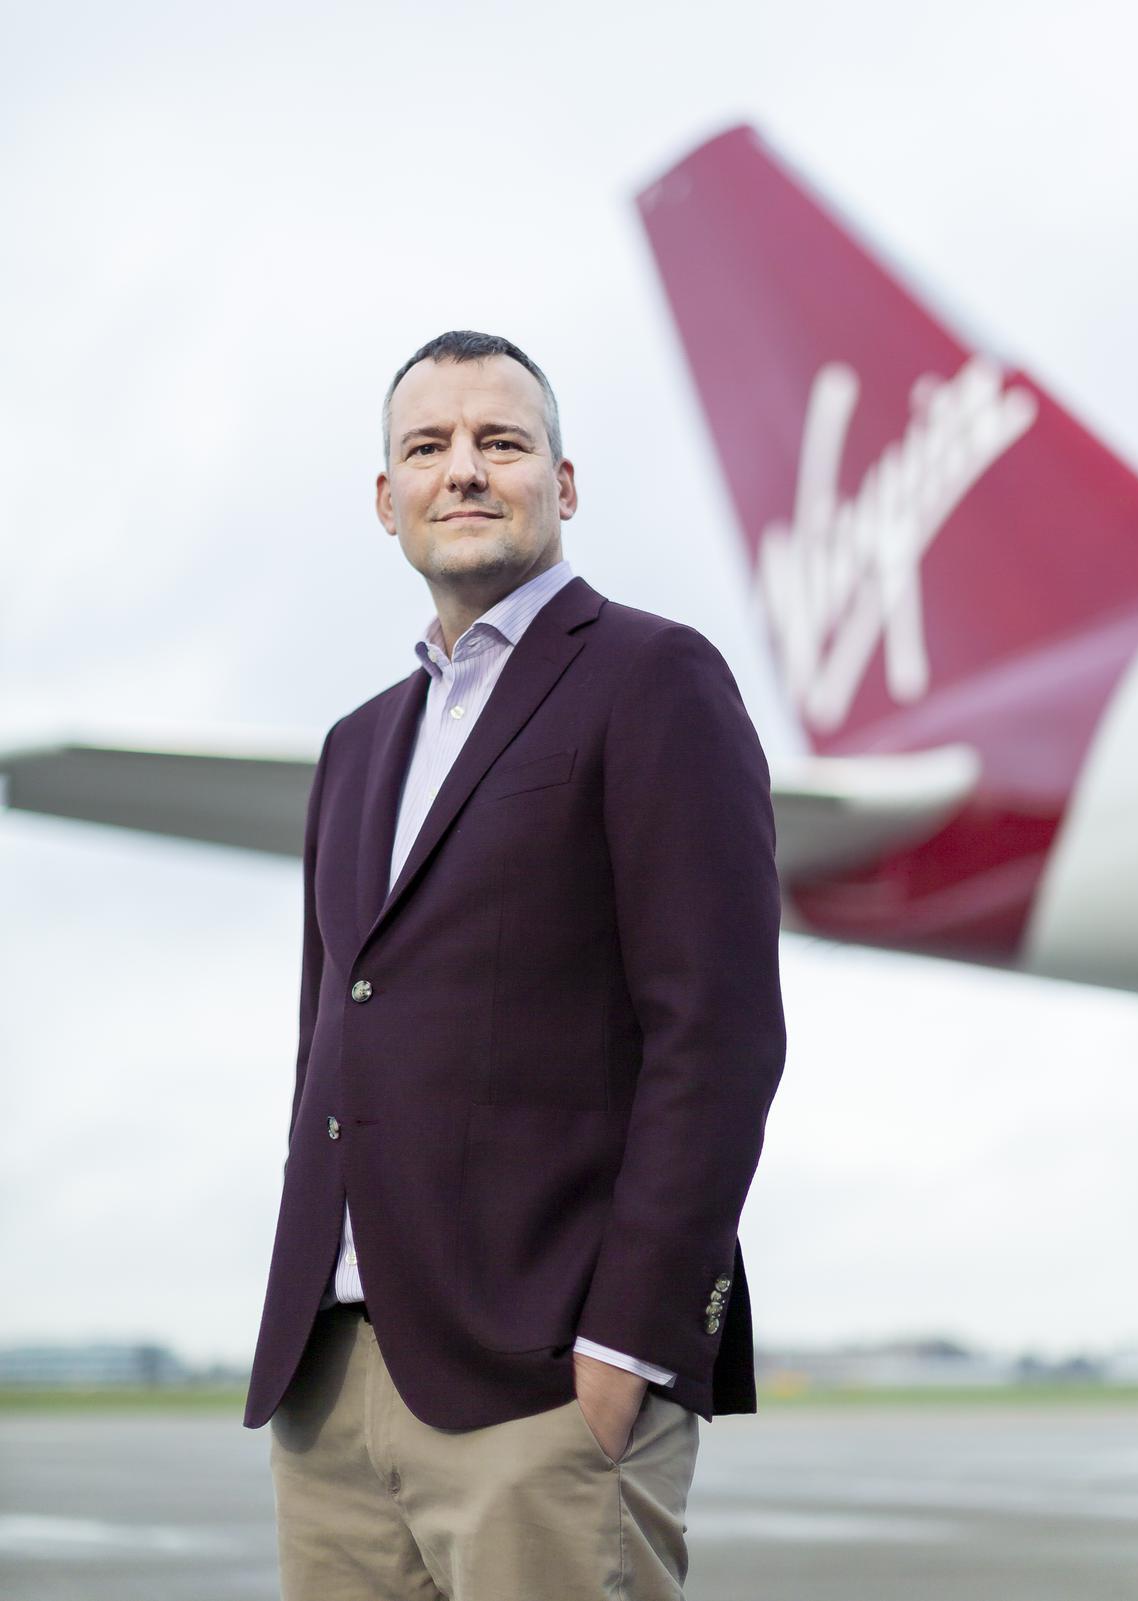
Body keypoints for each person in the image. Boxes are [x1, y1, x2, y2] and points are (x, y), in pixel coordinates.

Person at [244, 330, 787, 1600]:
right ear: (388, 499)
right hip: (330, 1386)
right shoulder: (355, 744)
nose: (465, 470)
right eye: (428, 447)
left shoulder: (654, 678)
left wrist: (624, 1349)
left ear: (565, 481)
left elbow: (719, 1038)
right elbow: (335, 1029)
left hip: (543, 1380)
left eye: (502, 441)